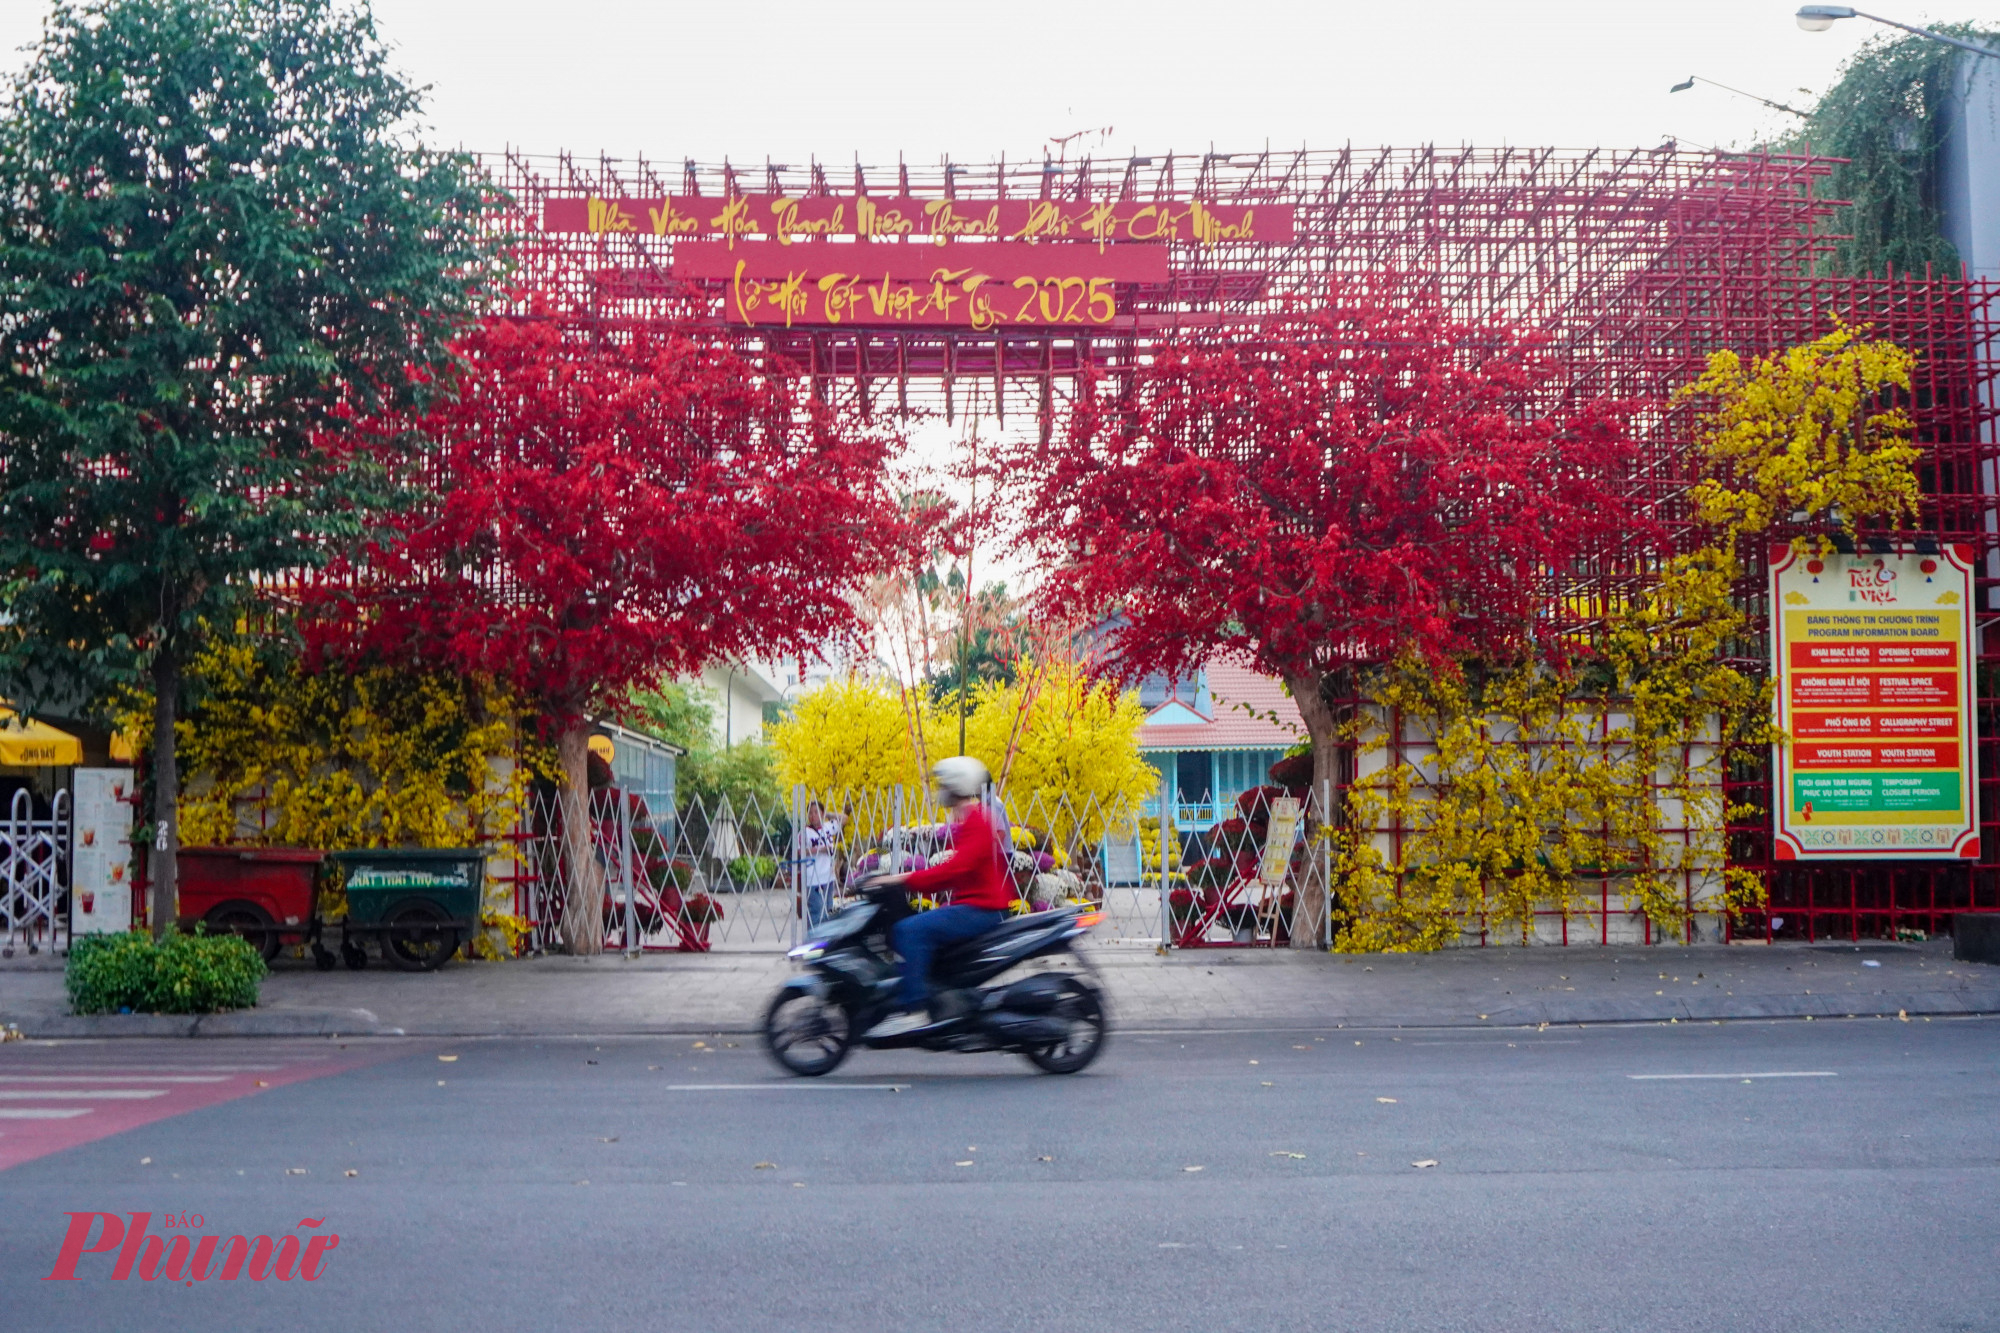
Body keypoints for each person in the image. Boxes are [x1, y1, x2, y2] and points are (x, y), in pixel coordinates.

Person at [865, 756, 1010, 1039]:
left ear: (956, 786)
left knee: (909, 930)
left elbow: (954, 869)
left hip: (981, 907)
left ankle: (914, 1010)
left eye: (944, 784)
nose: (940, 790)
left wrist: (902, 879)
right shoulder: (971, 817)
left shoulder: (978, 820)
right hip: (973, 904)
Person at [798, 800, 842, 928]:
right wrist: (820, 850)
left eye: (816, 812)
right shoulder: (804, 832)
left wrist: (828, 813)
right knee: (816, 910)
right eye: (810, 813)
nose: (813, 815)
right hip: (813, 877)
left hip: (828, 876)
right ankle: (814, 939)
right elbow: (799, 851)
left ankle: (826, 940)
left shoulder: (828, 827)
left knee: (828, 910)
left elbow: (844, 818)